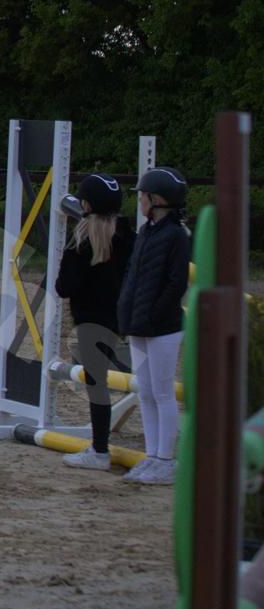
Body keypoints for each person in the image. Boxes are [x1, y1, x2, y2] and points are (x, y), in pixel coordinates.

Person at [115, 166, 191, 486]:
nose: (140, 201)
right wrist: (127, 310)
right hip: (140, 322)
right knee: (144, 391)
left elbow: (176, 283)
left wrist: (154, 314)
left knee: (162, 392)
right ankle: (151, 454)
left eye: (143, 196)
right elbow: (133, 274)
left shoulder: (177, 236)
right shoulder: (146, 231)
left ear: (156, 199)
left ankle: (165, 459)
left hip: (163, 326)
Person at [54, 174, 136, 470]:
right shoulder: (130, 236)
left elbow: (63, 287)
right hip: (124, 319)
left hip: (91, 322)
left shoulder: (82, 241)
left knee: (96, 385)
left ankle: (99, 450)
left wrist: (69, 251)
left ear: (87, 205)